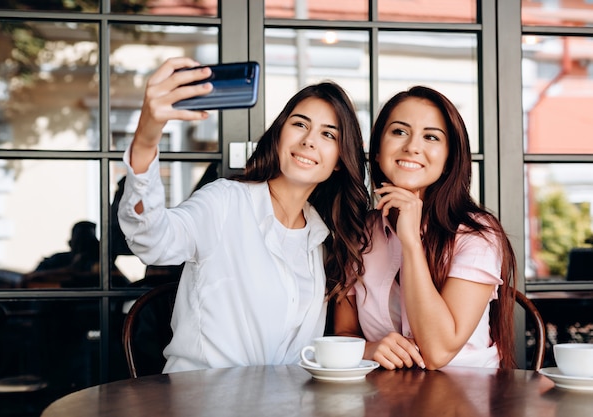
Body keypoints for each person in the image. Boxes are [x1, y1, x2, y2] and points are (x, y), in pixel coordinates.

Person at [117, 57, 369, 372]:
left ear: (339, 162)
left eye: (328, 135)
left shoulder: (320, 238)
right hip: (203, 401)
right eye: (300, 124)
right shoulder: (225, 202)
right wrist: (146, 138)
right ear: (279, 134)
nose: (309, 140)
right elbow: (152, 239)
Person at [334, 86, 517, 370]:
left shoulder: (478, 234)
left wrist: (410, 241)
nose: (412, 147)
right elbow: (344, 334)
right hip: (383, 397)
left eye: (431, 137)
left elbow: (438, 353)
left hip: (467, 397)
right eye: (399, 132)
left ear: (448, 160)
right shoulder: (360, 233)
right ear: (379, 151)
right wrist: (369, 349)